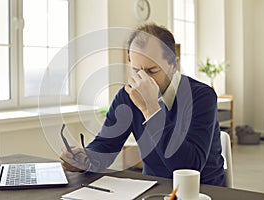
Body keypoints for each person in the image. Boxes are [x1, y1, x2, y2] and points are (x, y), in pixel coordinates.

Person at [60, 23, 225, 186]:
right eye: (136, 71)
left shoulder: (202, 96)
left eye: (152, 71)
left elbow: (188, 168)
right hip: (153, 187)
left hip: (203, 190)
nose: (142, 81)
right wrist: (85, 159)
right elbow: (106, 145)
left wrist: (151, 109)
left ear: (174, 65)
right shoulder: (128, 95)